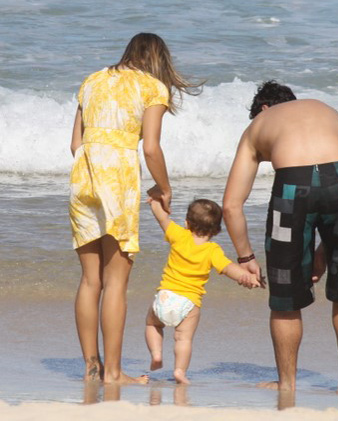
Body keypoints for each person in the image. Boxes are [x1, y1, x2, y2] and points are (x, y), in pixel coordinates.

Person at [69, 33, 200, 384]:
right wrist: (165, 188)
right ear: (159, 60)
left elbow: (75, 144)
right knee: (115, 282)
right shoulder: (153, 87)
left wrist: (93, 169)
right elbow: (152, 149)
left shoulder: (92, 80)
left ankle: (91, 368)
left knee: (89, 280)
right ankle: (113, 373)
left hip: (82, 176)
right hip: (118, 181)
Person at [223, 81, 338, 395]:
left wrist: (246, 258)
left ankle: (287, 384)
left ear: (263, 109)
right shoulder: (328, 111)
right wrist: (323, 252)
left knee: (285, 297)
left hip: (292, 189)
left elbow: (231, 205)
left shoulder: (258, 125)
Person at [145, 196, 263, 384]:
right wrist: (246, 277)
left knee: (152, 325)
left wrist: (154, 202)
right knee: (183, 339)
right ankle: (179, 371)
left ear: (186, 223)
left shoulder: (178, 235)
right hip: (188, 303)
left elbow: (161, 218)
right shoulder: (212, 250)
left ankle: (157, 354)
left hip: (165, 296)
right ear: (216, 230)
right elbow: (228, 268)